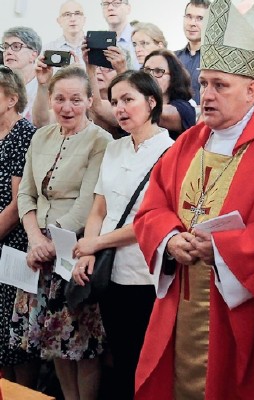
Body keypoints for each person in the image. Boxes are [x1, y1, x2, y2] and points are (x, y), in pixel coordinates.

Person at [132, 1, 254, 399]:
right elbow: (153, 206)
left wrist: (225, 248)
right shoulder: (191, 142)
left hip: (236, 310)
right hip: (181, 297)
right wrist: (168, 239)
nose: (206, 95)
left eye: (220, 85)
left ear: (252, 89)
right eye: (204, 84)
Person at [70, 70, 173, 400]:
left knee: (146, 361)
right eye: (115, 102)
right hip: (109, 270)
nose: (120, 109)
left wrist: (95, 243)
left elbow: (150, 221)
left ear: (151, 101)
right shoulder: (114, 149)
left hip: (146, 274)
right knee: (120, 357)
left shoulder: (170, 153)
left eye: (129, 99)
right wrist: (88, 252)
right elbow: (99, 209)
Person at [11, 66, 112, 400]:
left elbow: (87, 204)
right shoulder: (41, 135)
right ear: (50, 99)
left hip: (74, 250)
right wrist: (35, 239)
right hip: (37, 248)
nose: (67, 107)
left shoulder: (101, 140)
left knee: (80, 344)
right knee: (52, 340)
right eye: (60, 99)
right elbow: (25, 193)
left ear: (88, 100)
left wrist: (51, 242)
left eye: (76, 99)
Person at [0, 66, 38, 389]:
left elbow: (17, 204)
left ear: (12, 99)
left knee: (17, 338)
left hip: (13, 242)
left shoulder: (23, 134)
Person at [142, 49, 196, 139]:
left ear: (173, 77)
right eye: (147, 71)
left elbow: (157, 114)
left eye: (158, 71)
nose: (150, 76)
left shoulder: (184, 108)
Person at [1, 27, 42, 123]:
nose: (8, 52)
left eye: (16, 47)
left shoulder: (45, 87)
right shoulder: (2, 84)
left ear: (34, 54)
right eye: (5, 47)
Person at [175, 0, 210, 104]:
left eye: (200, 18)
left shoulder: (216, 60)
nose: (192, 23)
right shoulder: (173, 58)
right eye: (189, 17)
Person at [41, 1, 86, 67]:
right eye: (67, 14)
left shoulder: (95, 49)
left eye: (77, 13)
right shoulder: (47, 50)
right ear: (59, 21)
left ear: (84, 20)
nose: (73, 19)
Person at [100, 0, 139, 70]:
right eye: (106, 4)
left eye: (117, 3)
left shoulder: (141, 39)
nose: (110, 8)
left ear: (128, 8)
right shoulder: (99, 42)